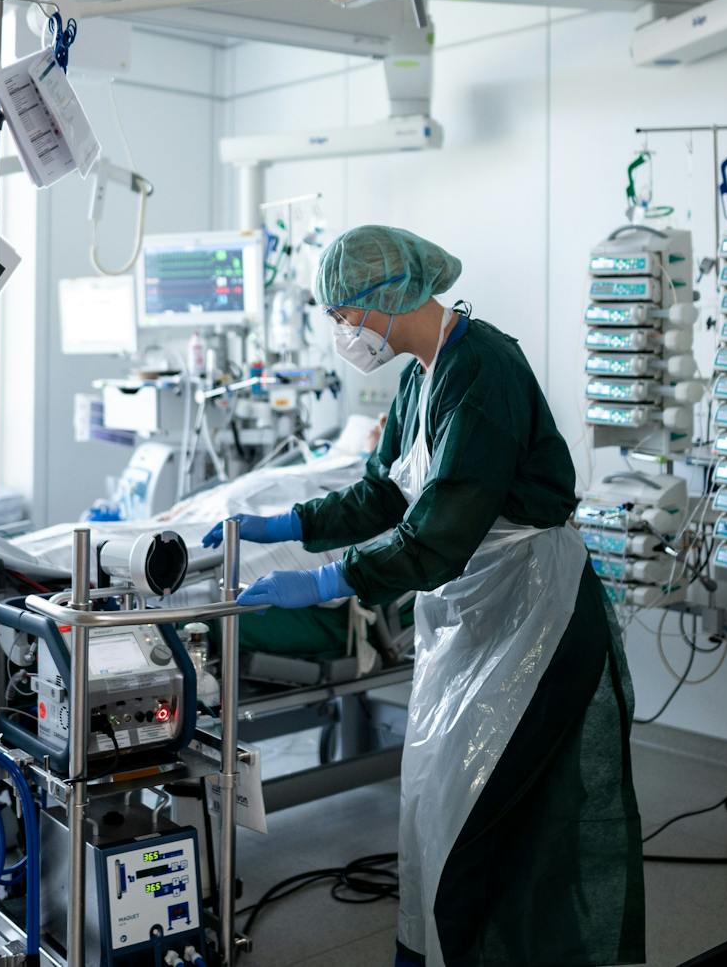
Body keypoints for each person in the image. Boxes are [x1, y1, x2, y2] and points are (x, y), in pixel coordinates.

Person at [203, 225, 644, 967]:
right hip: (481, 619)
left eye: (344, 315)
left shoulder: (484, 367)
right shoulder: (420, 377)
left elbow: (441, 531)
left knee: (483, 820)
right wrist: (281, 523)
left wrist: (325, 582)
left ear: (383, 299)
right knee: (448, 812)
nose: (344, 331)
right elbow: (382, 493)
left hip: (540, 618)